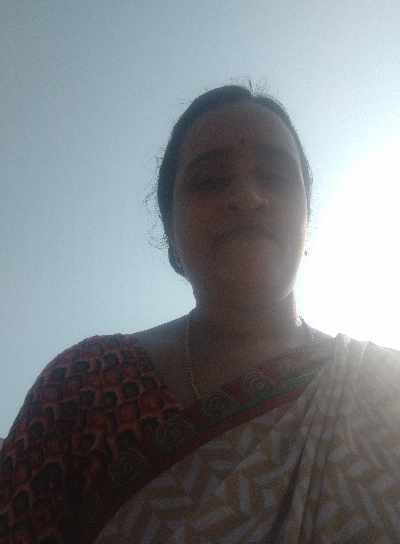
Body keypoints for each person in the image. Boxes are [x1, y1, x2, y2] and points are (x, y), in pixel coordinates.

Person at [1, 84, 400, 544]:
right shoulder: (85, 385)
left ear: (307, 217)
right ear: (171, 232)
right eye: (210, 181)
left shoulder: (385, 392)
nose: (247, 197)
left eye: (274, 176)